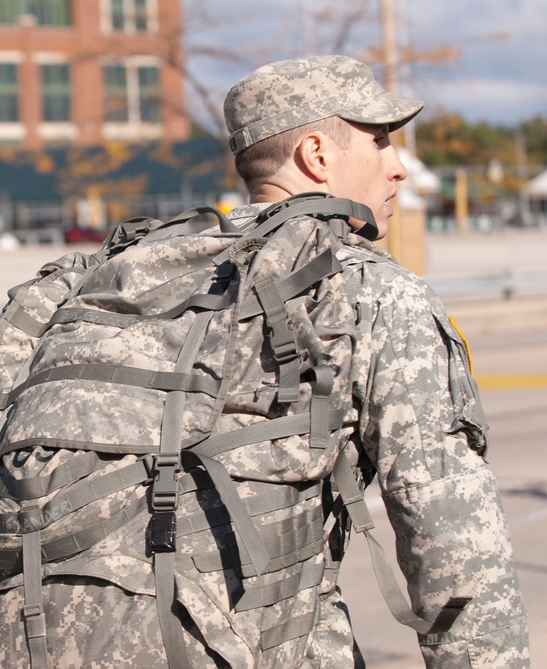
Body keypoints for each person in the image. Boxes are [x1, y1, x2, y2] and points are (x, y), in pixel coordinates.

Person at [221, 54, 529, 667]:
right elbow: (454, 547)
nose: (398, 169)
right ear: (317, 155)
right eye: (380, 140)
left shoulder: (134, 278)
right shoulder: (369, 290)